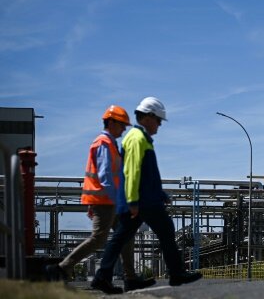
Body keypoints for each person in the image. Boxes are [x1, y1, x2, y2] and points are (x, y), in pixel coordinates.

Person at [91, 97, 202, 294]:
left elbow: (146, 173)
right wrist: (133, 200)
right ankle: (176, 273)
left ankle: (102, 276)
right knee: (166, 230)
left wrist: (160, 193)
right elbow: (132, 171)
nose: (159, 125)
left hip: (143, 198)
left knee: (120, 238)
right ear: (148, 117)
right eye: (158, 120)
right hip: (142, 201)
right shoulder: (137, 138)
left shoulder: (139, 138)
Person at [45, 105, 155, 292]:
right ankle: (61, 268)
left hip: (108, 200)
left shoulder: (110, 144)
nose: (124, 129)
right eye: (122, 125)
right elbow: (105, 177)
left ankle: (130, 278)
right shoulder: (103, 143)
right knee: (98, 239)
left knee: (126, 235)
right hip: (106, 201)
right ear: (111, 122)